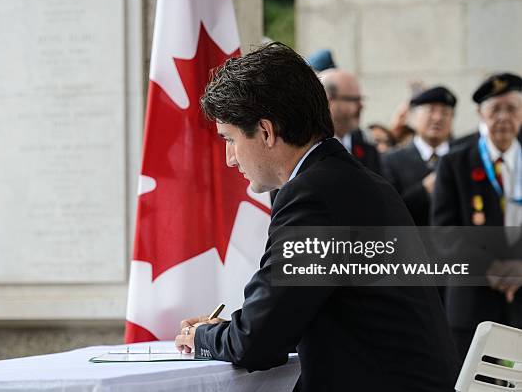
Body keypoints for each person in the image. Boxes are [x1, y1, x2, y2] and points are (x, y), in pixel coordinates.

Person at [174, 42, 458, 391]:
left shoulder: (313, 196)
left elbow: (257, 343)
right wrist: (231, 328)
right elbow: (291, 315)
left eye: (229, 139)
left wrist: (202, 335)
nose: (230, 159)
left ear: (265, 131)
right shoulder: (353, 181)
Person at [431, 72, 522, 359]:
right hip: (473, 305)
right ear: (480, 114)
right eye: (495, 109)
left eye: (513, 108)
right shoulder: (455, 163)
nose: (504, 117)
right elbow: (444, 234)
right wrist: (491, 268)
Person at [382, 86, 457, 226]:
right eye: (431, 110)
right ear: (412, 116)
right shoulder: (391, 160)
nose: (438, 118)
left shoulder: (462, 156)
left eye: (445, 112)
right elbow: (388, 210)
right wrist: (424, 190)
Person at [320, 69, 382, 174]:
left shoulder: (367, 146)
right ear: (329, 101)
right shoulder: (309, 147)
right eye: (354, 99)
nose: (361, 106)